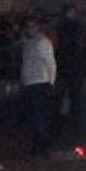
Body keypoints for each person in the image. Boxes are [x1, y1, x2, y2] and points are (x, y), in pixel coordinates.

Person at [19, 17, 58, 157]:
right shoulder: (28, 42)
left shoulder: (42, 42)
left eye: (33, 26)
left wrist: (51, 82)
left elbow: (50, 63)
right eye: (28, 26)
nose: (30, 29)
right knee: (34, 117)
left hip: (40, 83)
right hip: (30, 83)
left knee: (40, 117)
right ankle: (38, 145)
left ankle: (42, 147)